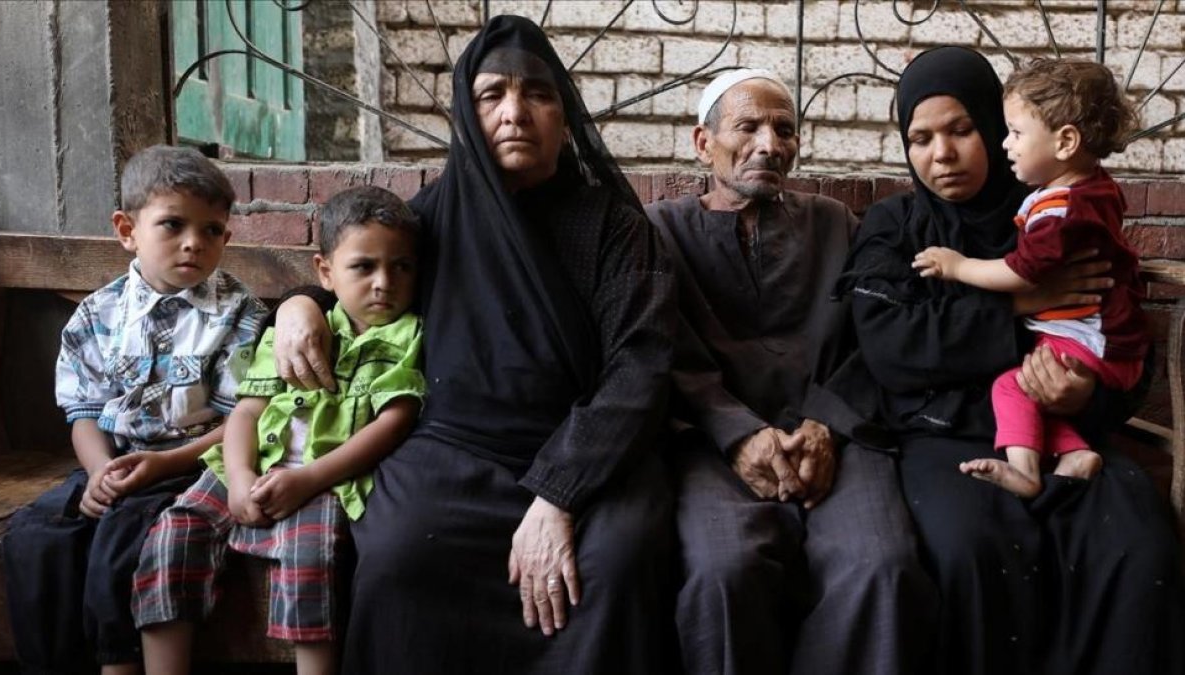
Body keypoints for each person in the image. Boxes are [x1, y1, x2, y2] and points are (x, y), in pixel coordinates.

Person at [270, 15, 678, 674]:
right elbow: (362, 285)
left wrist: (558, 494)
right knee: (401, 552)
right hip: (454, 447)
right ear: (467, 112)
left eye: (537, 94)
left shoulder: (615, 228)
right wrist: (299, 307)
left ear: (565, 116)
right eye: (492, 95)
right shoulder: (432, 218)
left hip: (588, 456)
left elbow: (641, 369)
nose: (515, 112)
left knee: (617, 562)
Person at [834, 46, 1185, 675]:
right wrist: (1020, 302)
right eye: (921, 139)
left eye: (961, 130)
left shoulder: (1057, 214)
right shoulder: (895, 225)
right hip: (943, 432)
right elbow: (891, 346)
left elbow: (1118, 330)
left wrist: (1089, 396)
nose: (942, 154)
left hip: (1066, 431)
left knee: (1137, 544)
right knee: (972, 550)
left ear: (998, 130)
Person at [647, 68, 937, 675]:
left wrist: (825, 423)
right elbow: (661, 353)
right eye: (747, 127)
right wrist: (737, 434)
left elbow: (876, 339)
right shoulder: (661, 231)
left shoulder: (835, 223)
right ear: (702, 143)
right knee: (723, 570)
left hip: (839, 434)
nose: (769, 144)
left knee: (880, 565)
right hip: (711, 444)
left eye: (784, 130)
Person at [131, 186, 425, 675]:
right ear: (325, 272)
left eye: (402, 267)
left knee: (314, 557)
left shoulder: (407, 336)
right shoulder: (298, 329)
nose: (383, 283)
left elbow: (395, 422)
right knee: (174, 535)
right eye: (363, 267)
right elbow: (247, 413)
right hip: (243, 465)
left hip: (326, 479)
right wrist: (239, 477)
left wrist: (309, 479)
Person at [2, 145, 267, 675]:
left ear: (226, 238)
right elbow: (83, 411)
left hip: (194, 465)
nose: (194, 242)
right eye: (173, 224)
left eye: (212, 230)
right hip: (115, 460)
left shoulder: (241, 315)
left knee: (123, 535)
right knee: (34, 535)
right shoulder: (97, 315)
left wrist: (163, 464)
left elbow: (240, 421)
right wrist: (100, 471)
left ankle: (118, 661)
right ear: (127, 230)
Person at [912, 58, 1147, 498]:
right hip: (1104, 339)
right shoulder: (1092, 189)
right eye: (920, 138)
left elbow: (1023, 271)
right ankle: (1075, 453)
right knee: (1034, 394)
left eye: (1016, 133)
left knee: (1010, 387)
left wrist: (958, 266)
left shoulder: (1061, 210)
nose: (1006, 144)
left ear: (1065, 142)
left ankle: (1024, 471)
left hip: (1090, 339)